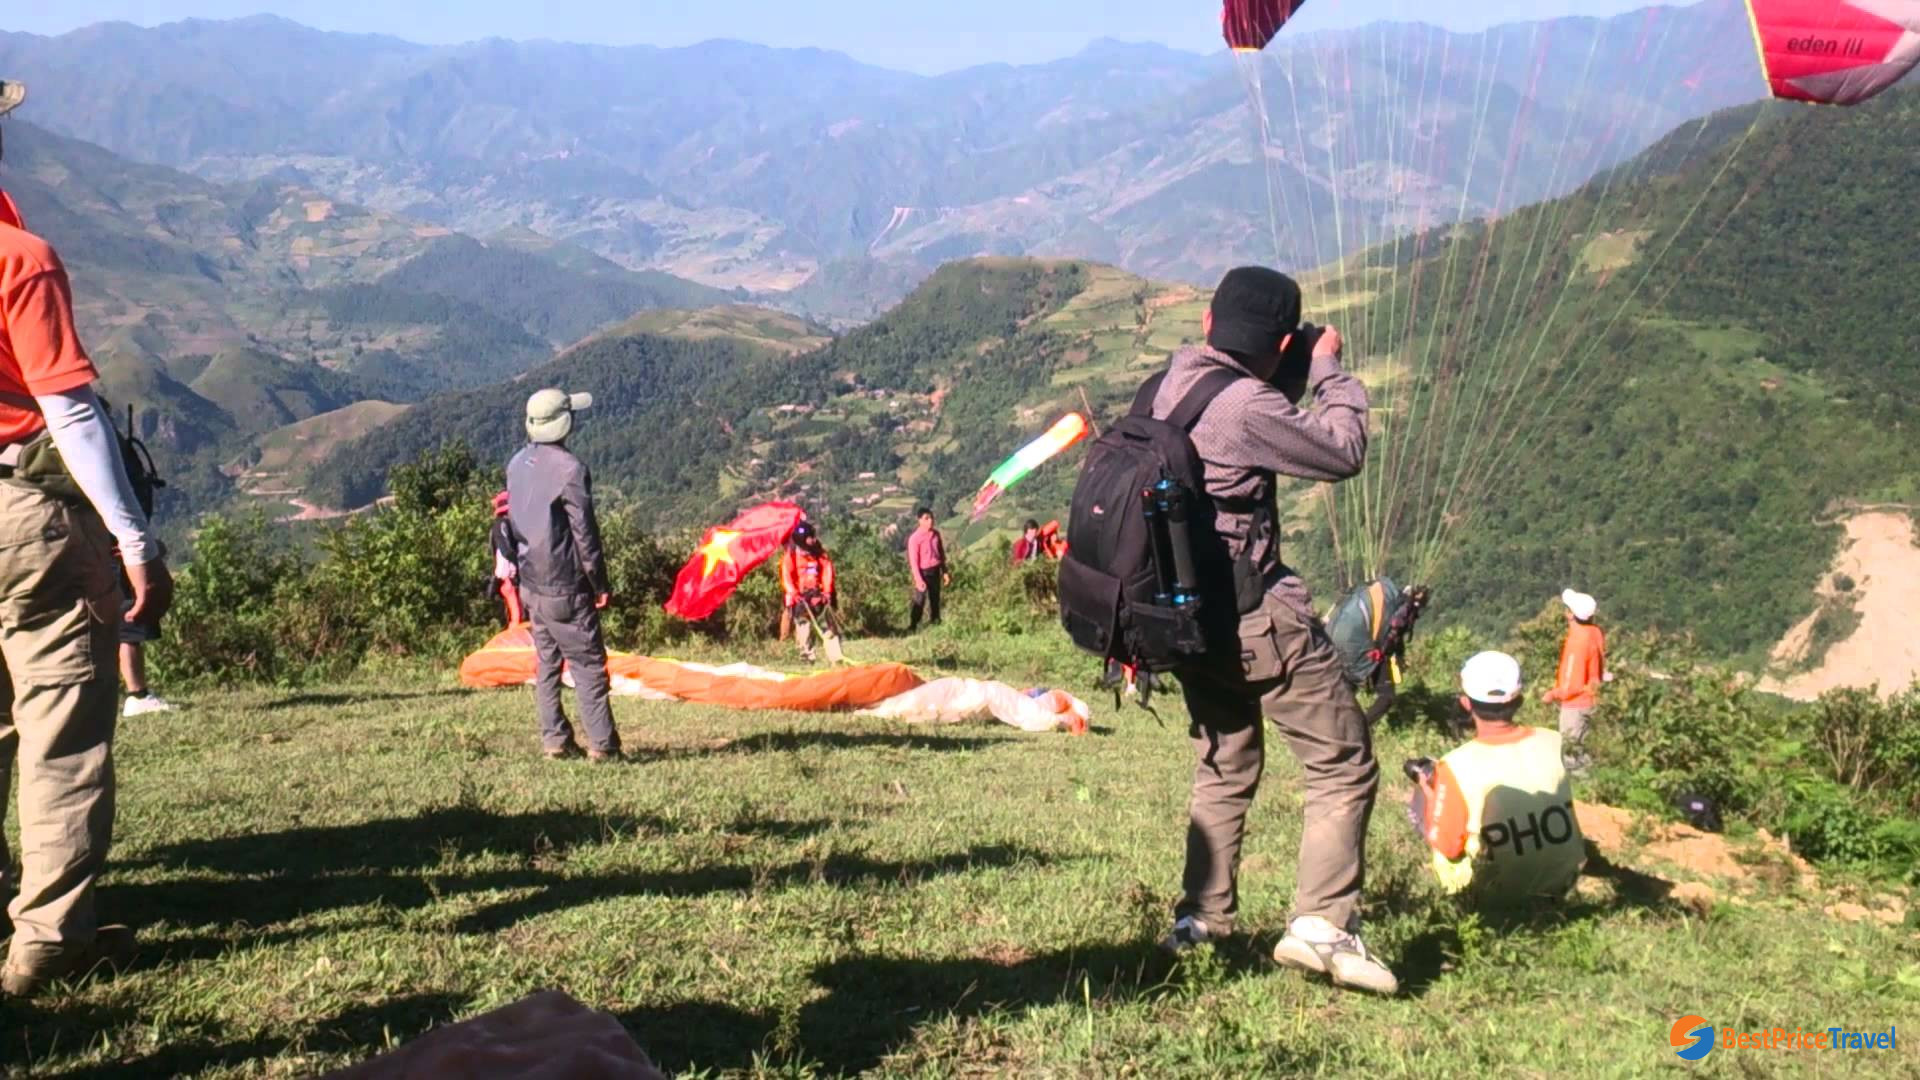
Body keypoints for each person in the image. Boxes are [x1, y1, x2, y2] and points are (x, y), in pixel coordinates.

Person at [1152, 266, 1395, 995]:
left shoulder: (1170, 383)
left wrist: (1287, 362)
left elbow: (1245, 406)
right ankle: (1321, 925)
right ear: (1285, 342)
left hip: (1188, 620)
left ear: (1207, 323)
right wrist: (1328, 370)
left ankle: (1201, 918)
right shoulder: (1250, 405)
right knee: (1342, 761)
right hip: (1258, 621)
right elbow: (1342, 451)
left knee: (1225, 765)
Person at [0, 77, 176, 998]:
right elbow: (68, 412)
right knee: (60, 724)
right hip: (24, 514)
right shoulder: (18, 257)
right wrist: (133, 541)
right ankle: (51, 939)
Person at [1410, 652, 1585, 906]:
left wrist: (1430, 794)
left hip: (1500, 893)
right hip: (1564, 880)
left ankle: (1460, 899)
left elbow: (1448, 846)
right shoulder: (1552, 740)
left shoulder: (1456, 765)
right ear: (1519, 700)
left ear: (1466, 703)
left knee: (1427, 807)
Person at [506, 389, 621, 763]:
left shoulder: (516, 464)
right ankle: (603, 745)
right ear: (564, 423)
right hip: (566, 585)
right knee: (588, 665)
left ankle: (554, 740)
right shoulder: (571, 470)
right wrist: (598, 581)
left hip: (531, 584)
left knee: (547, 662)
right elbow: (584, 533)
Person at [1542, 589, 1608, 771]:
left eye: (1567, 609)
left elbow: (1572, 682)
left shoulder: (1577, 641)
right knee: (1584, 753)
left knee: (1571, 756)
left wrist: (1552, 694)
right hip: (1593, 700)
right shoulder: (1595, 632)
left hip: (1575, 705)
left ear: (1571, 614)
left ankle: (1578, 787)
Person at [780, 521, 842, 664]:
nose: (813, 540)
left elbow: (827, 570)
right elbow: (787, 576)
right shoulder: (791, 554)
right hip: (800, 597)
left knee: (827, 626)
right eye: (810, 537)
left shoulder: (819, 552)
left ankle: (836, 658)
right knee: (803, 626)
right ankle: (807, 657)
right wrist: (794, 594)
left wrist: (827, 592)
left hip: (818, 594)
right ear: (802, 539)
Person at [906, 507, 948, 630]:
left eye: (931, 518)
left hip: (935, 570)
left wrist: (945, 571)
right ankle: (913, 625)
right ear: (919, 520)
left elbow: (941, 554)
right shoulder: (914, 539)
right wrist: (918, 580)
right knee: (920, 600)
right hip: (923, 572)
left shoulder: (936, 535)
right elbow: (914, 562)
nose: (930, 521)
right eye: (926, 518)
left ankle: (936, 623)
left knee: (935, 598)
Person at [488, 490, 524, 627]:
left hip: (508, 578)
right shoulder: (501, 524)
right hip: (509, 577)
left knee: (516, 615)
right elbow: (507, 551)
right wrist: (521, 565)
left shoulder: (501, 524)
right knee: (517, 617)